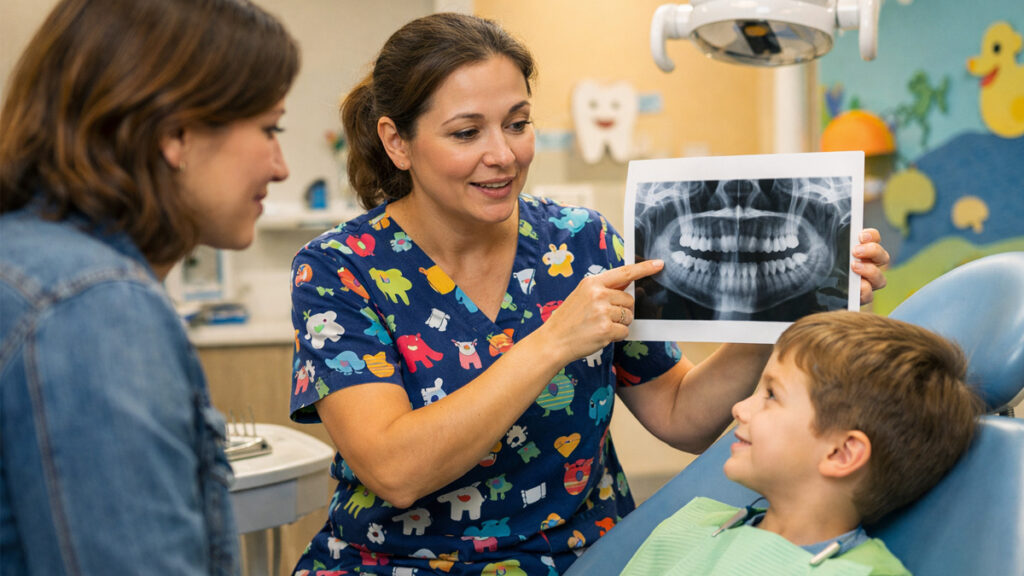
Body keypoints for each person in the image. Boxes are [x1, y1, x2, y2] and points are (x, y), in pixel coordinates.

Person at [287, 12, 890, 575]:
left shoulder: (580, 242)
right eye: (467, 133)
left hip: (583, 560)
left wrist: (787, 309)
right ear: (397, 142)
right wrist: (552, 343)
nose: (503, 156)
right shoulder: (339, 271)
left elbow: (680, 414)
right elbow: (394, 471)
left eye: (518, 124)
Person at [0, 0, 298, 573]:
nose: (281, 166)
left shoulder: (38, 271)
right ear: (174, 131)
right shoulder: (94, 308)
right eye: (269, 128)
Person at [620, 310, 983, 575]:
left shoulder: (863, 573)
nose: (739, 408)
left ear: (841, 453)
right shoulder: (689, 527)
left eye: (771, 394)